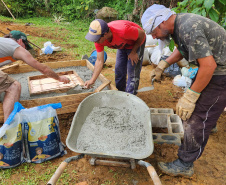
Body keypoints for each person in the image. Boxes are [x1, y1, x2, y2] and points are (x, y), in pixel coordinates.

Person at [141, 4, 226, 177]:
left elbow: (208, 66)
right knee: (204, 105)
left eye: (153, 31)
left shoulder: (188, 27)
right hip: (217, 68)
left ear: (162, 22)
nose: (153, 36)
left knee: (195, 117)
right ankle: (211, 122)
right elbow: (183, 48)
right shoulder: (180, 24)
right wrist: (164, 64)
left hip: (220, 73)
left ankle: (184, 164)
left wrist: (190, 96)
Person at [0, 36, 70, 122]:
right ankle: (9, 126)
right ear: (20, 41)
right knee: (13, 86)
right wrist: (59, 78)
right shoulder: (16, 47)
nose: (25, 49)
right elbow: (43, 69)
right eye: (25, 46)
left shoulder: (3, 43)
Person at [84, 19, 146, 94]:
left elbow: (142, 34)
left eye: (97, 39)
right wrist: (92, 80)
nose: (95, 41)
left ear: (106, 34)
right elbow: (100, 61)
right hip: (122, 44)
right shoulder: (98, 40)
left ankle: (130, 98)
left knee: (132, 72)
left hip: (136, 41)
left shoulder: (123, 31)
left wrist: (133, 52)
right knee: (119, 70)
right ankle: (120, 94)